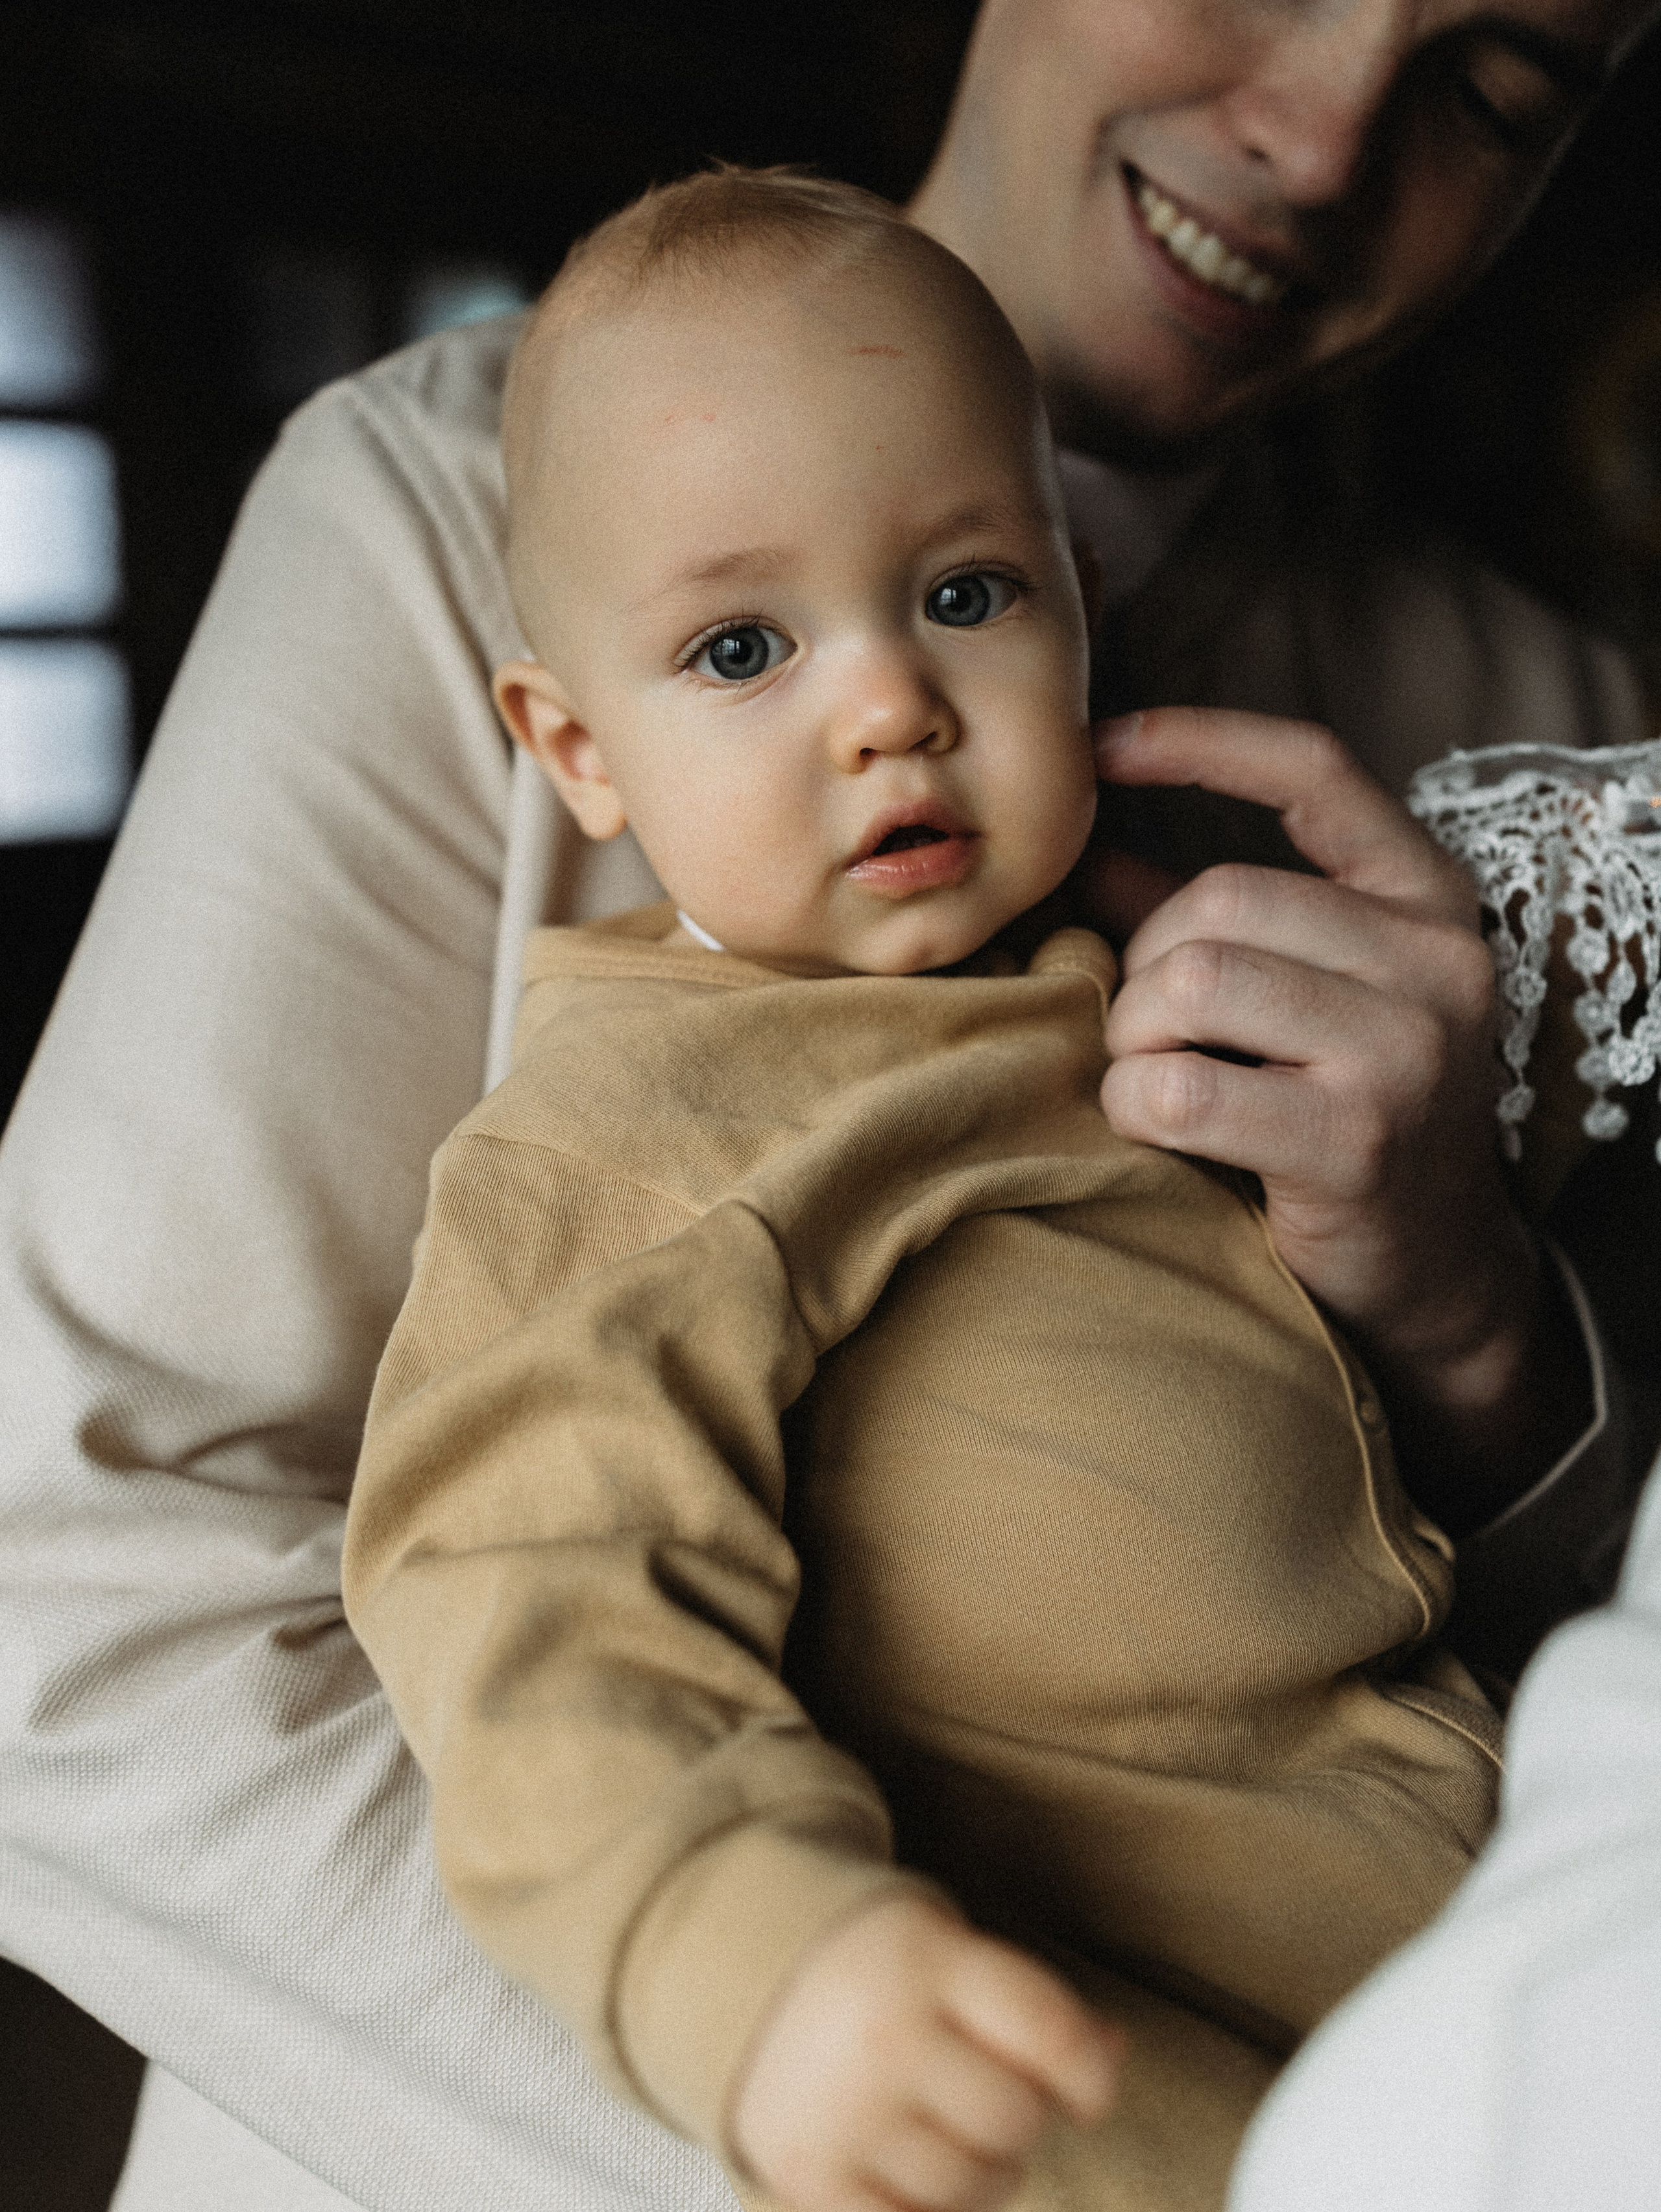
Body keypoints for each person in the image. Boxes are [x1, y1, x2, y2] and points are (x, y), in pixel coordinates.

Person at [1, 5, 1655, 2209]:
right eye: (737, 650)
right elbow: (104, 1601)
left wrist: (1469, 1312)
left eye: (1495, 91)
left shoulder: (1560, 727)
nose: (1322, 134)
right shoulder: (474, 598)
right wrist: (809, 2043)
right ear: (570, 735)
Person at [343, 167, 1509, 2212]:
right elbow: (518, 1579)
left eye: (968, 595)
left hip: (1450, 1934)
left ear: (1079, 605)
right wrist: (753, 1960)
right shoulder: (635, 1130)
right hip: (1113, 2049)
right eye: (741, 646)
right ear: (578, 747)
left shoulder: (1136, 981)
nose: (888, 704)